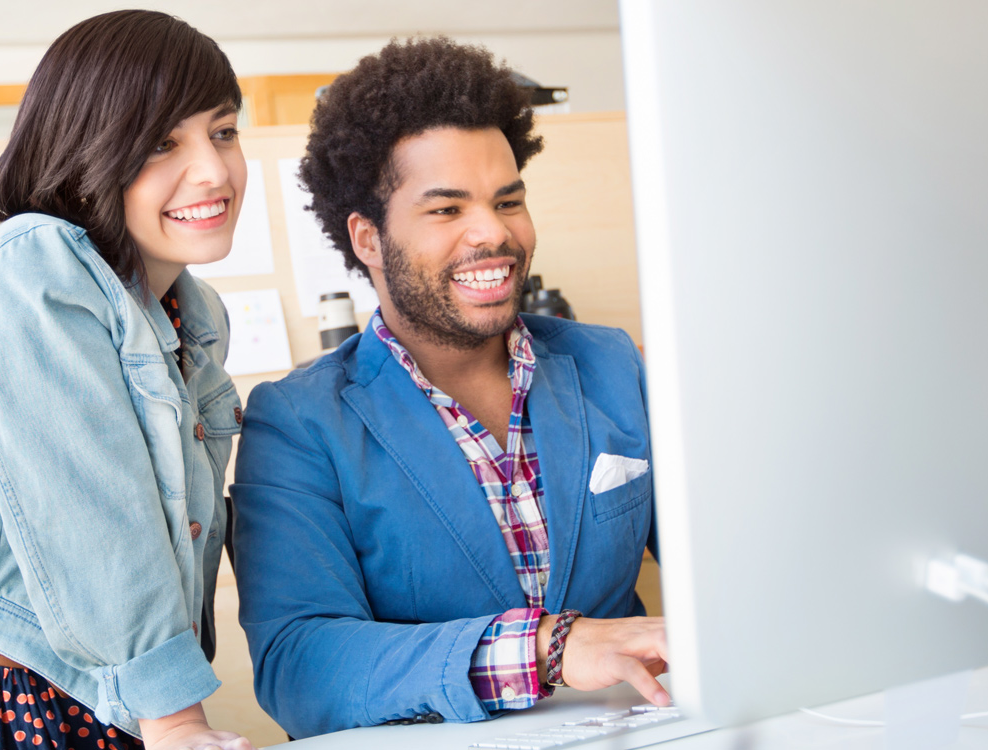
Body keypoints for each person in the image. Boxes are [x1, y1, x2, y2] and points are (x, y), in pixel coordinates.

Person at [231, 37, 668, 739]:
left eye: (508, 200)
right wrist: (544, 650)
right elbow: (300, 666)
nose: (492, 234)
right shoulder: (297, 422)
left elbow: (716, 557)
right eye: (446, 210)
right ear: (368, 239)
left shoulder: (611, 365)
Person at [0, 11, 254, 750]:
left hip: (116, 697)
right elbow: (92, 511)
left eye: (223, 131)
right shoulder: (35, 265)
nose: (214, 170)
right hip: (11, 699)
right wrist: (175, 716)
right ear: (91, 146)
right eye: (164, 142)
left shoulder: (193, 309)